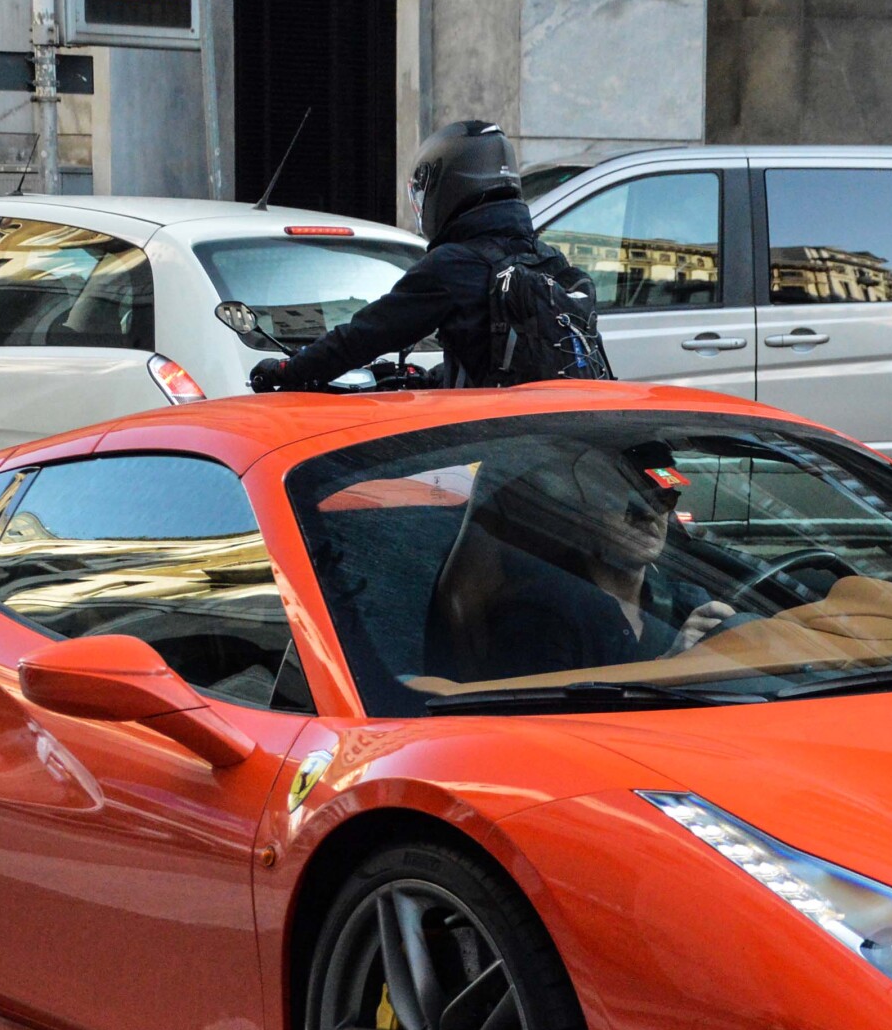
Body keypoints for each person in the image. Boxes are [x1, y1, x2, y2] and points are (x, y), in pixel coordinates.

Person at [249, 120, 596, 393]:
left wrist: (289, 370)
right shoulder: (545, 258)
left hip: (509, 451)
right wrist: (431, 378)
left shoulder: (452, 266)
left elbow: (367, 333)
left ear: (445, 185)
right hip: (562, 440)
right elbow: (506, 365)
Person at [429, 445, 737, 682]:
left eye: (661, 500)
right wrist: (669, 669)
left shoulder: (689, 602)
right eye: (628, 504)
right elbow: (544, 731)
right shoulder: (540, 615)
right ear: (583, 514)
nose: (648, 515)